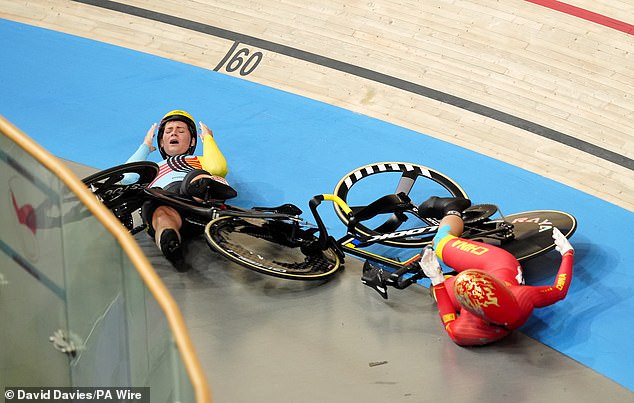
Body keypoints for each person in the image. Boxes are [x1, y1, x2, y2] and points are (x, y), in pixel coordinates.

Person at [417, 196, 574, 346]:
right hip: (500, 265)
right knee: (440, 254)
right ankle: (453, 214)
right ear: (499, 287)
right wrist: (567, 252)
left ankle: (451, 210)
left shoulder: (466, 330)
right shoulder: (522, 296)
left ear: (468, 308)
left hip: (494, 267)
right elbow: (559, 290)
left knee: (438, 247)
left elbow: (449, 321)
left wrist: (437, 281)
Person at [126, 110, 236, 270]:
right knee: (161, 215)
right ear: (161, 143)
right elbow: (127, 177)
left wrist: (208, 139)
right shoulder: (152, 168)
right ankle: (169, 243)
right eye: (168, 131)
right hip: (166, 202)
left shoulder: (198, 160)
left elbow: (218, 168)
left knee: (196, 178)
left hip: (195, 198)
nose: (174, 134)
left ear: (192, 141)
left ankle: (202, 191)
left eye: (181, 130)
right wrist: (145, 147)